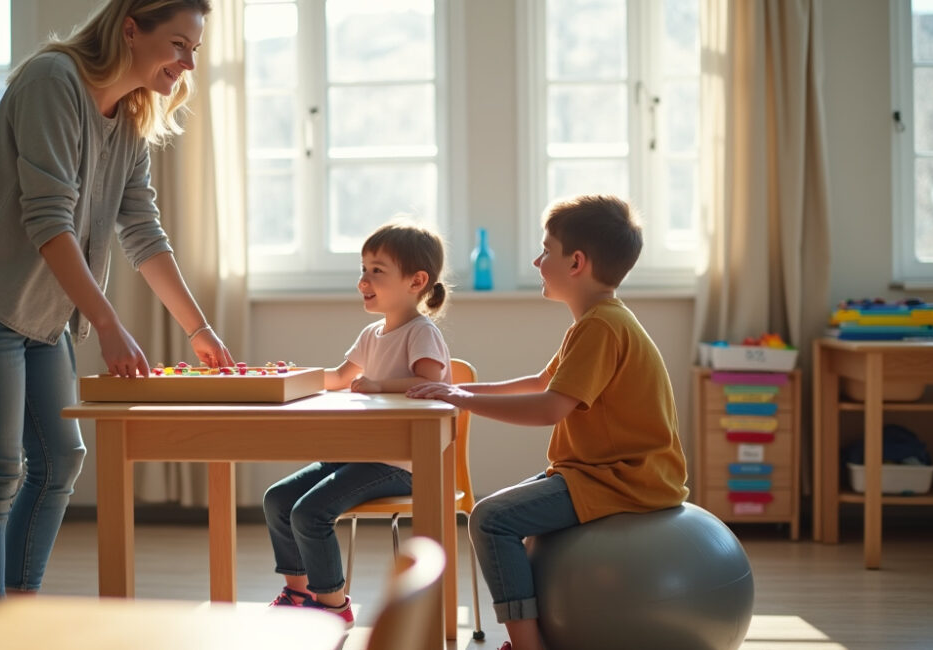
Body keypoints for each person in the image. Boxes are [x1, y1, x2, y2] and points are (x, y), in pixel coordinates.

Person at [0, 0, 231, 596]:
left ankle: (17, 607)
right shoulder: (53, 81)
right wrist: (109, 324)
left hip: (42, 313)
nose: (187, 63)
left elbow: (142, 230)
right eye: (178, 44)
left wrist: (199, 330)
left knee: (60, 459)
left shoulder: (134, 115)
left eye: (194, 49)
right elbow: (49, 221)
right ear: (130, 29)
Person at [407, 195, 690, 650]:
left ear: (576, 262)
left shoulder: (601, 327)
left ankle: (526, 645)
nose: (538, 261)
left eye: (546, 251)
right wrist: (456, 393)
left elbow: (548, 407)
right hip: (598, 471)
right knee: (508, 512)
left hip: (622, 480)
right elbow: (542, 381)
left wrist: (462, 397)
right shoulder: (598, 321)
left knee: (490, 518)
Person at [262, 220, 453, 628]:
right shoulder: (372, 333)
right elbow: (338, 377)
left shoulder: (421, 332)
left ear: (417, 281)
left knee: (309, 513)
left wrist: (382, 384)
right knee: (278, 500)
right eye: (363, 269)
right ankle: (298, 594)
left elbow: (433, 383)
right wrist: (291, 376)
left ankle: (333, 608)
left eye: (376, 271)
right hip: (360, 455)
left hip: (401, 464)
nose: (363, 280)